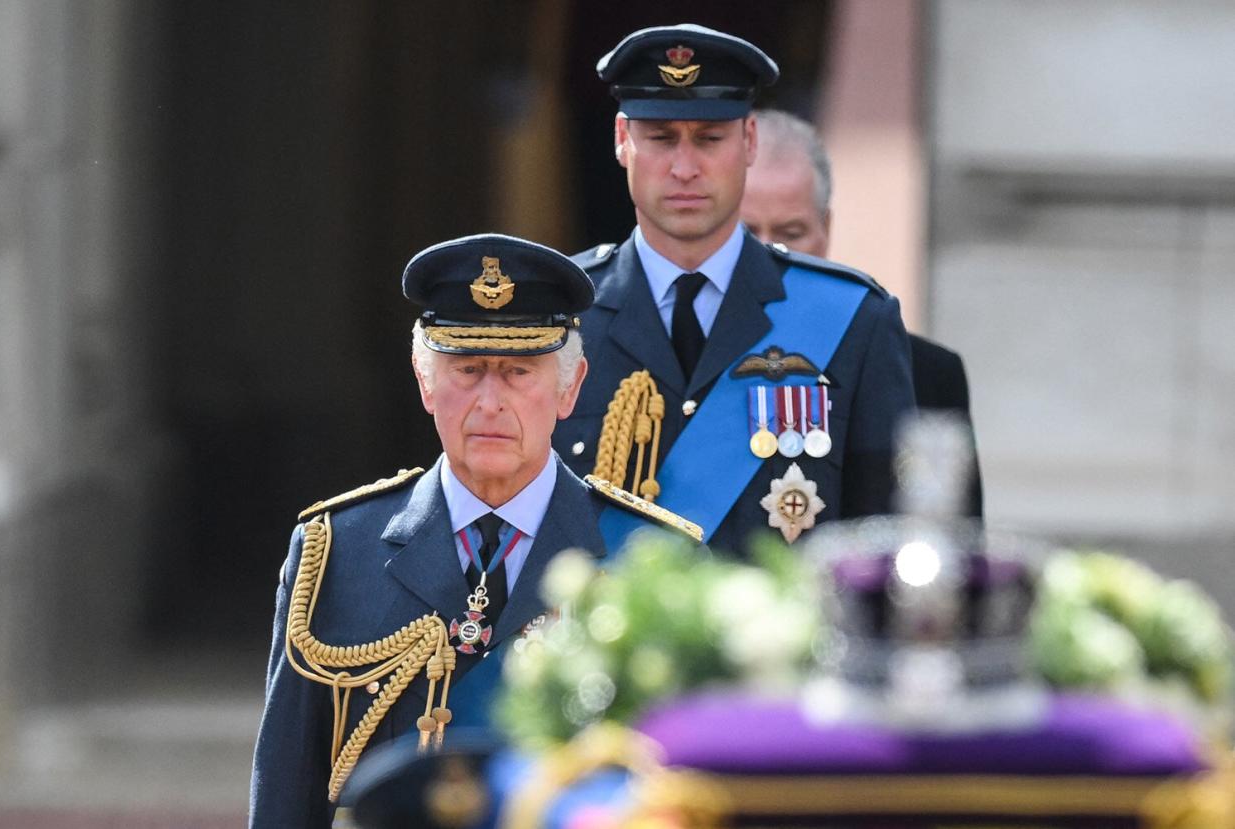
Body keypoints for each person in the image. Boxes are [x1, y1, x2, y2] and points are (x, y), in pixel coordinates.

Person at [249, 234, 700, 828]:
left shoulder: (652, 557)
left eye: (518, 372)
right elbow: (287, 794)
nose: (490, 401)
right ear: (423, 380)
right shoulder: (335, 551)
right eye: (466, 370)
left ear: (570, 386)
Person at [552, 24, 916, 554]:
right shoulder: (556, 318)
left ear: (748, 141)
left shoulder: (852, 319)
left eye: (708, 138)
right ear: (621, 141)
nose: (684, 167)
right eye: (660, 138)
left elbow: (885, 539)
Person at [741, 108, 983, 517]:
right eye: (748, 234)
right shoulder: (679, 352)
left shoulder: (927, 372)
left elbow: (954, 548)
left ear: (826, 228)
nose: (772, 254)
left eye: (791, 233)